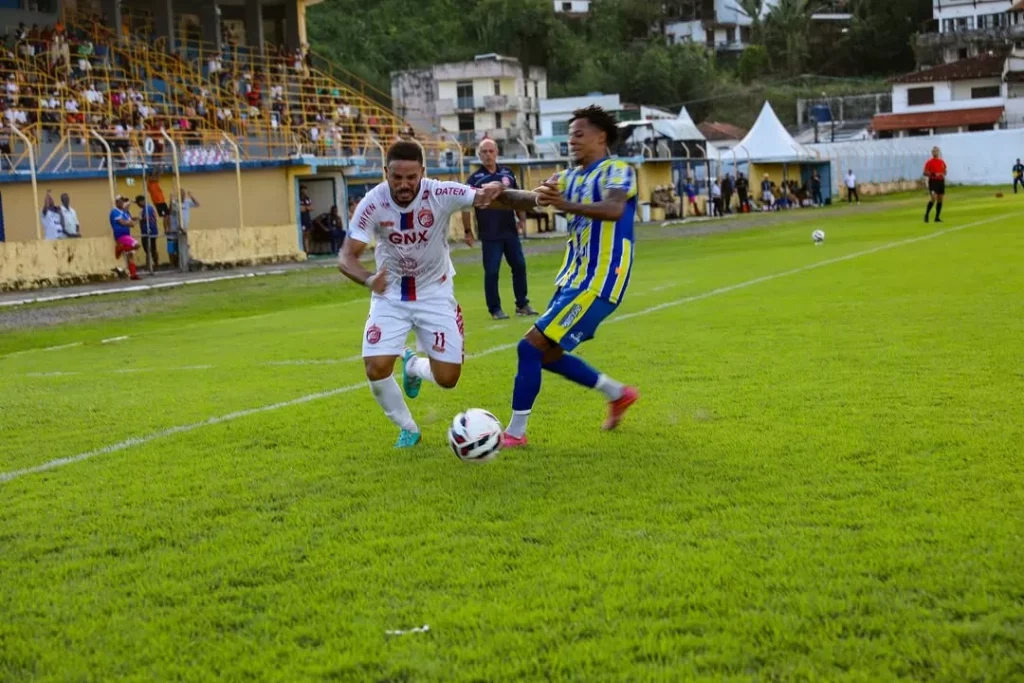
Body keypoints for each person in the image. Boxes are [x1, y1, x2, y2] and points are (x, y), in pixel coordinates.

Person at [478, 105, 640, 448]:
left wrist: (565, 205)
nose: (573, 142)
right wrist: (491, 194)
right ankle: (618, 394)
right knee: (546, 354)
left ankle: (515, 434)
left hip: (601, 279)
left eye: (579, 135)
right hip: (572, 279)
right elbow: (532, 199)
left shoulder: (618, 170)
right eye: (570, 137)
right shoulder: (568, 177)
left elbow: (613, 209)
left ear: (601, 136)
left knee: (528, 347)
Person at [337, 141, 505, 449]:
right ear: (385, 172)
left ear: (422, 173)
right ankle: (408, 428)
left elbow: (483, 197)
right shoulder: (372, 203)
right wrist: (368, 278)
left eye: (411, 177)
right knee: (375, 367)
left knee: (448, 379)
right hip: (390, 295)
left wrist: (499, 185)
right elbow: (346, 257)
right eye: (397, 177)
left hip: (435, 294)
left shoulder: (440, 193)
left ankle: (413, 366)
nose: (404, 184)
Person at [462, 138, 537, 320]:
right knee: (492, 271)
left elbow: (517, 198)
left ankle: (522, 304)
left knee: (519, 266)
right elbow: (465, 207)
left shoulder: (508, 174)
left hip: (509, 231)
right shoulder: (474, 179)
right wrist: (468, 230)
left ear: (496, 153)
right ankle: (495, 309)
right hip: (490, 233)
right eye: (484, 152)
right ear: (479, 155)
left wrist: (521, 219)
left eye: (491, 151)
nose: (488, 155)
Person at [110, 195, 141, 280]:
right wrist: (131, 223)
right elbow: (123, 222)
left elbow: (130, 221)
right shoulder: (114, 212)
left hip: (126, 235)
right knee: (137, 245)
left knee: (130, 255)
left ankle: (133, 274)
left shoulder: (124, 213)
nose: (122, 202)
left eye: (123, 201)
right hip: (120, 235)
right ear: (117, 202)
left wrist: (136, 220)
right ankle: (121, 247)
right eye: (120, 201)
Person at [169, 188, 199, 270]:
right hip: (175, 228)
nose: (182, 196)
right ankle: (172, 263)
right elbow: (170, 211)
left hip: (184, 228)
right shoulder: (174, 203)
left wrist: (192, 196)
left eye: (183, 194)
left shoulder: (187, 202)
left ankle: (181, 263)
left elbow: (197, 204)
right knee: (172, 246)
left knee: (183, 246)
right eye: (180, 194)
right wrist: (171, 200)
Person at [924, 146, 947, 224]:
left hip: (941, 182)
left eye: (936, 151)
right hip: (933, 182)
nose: (935, 153)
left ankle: (937, 217)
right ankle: (926, 215)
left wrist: (943, 174)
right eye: (934, 151)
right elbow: (925, 172)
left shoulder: (942, 162)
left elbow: (945, 171)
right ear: (932, 153)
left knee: (940, 199)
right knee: (933, 198)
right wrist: (934, 174)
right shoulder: (929, 162)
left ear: (938, 152)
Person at [135, 194, 159, 268]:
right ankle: (151, 264)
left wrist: (138, 219)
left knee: (150, 248)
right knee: (148, 248)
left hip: (150, 231)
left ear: (142, 201)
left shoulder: (148, 207)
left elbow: (146, 218)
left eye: (138, 203)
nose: (138, 205)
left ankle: (154, 264)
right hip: (145, 231)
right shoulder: (145, 208)